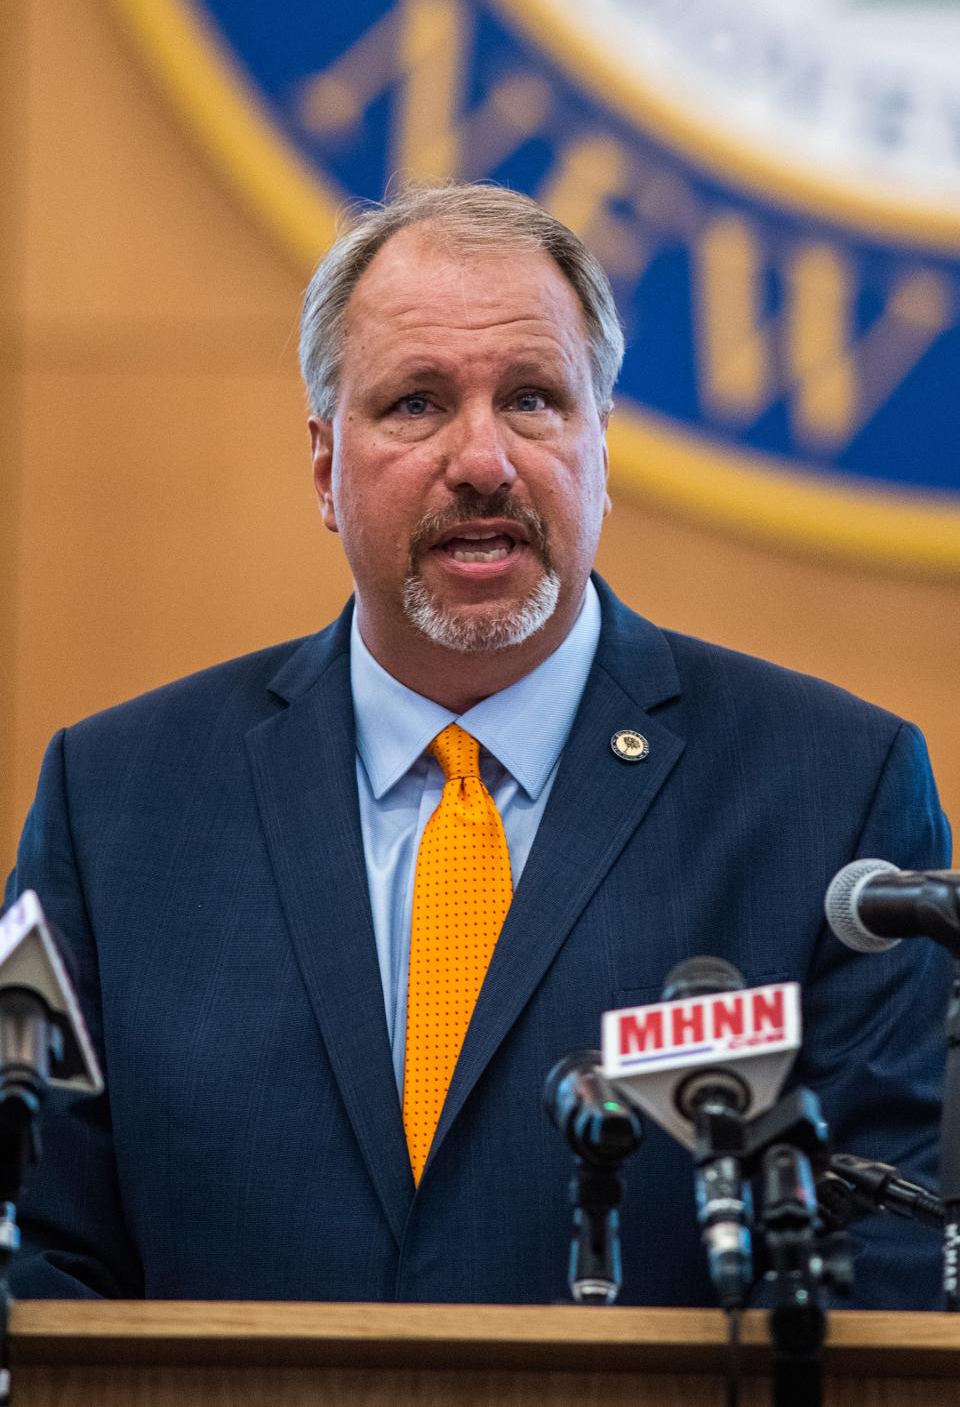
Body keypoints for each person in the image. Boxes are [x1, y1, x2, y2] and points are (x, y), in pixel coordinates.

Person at [3, 183, 951, 1307]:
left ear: (602, 447)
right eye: (415, 403)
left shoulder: (832, 796)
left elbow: (895, 1272)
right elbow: (35, 1246)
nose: (483, 460)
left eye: (535, 399)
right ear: (324, 468)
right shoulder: (115, 807)